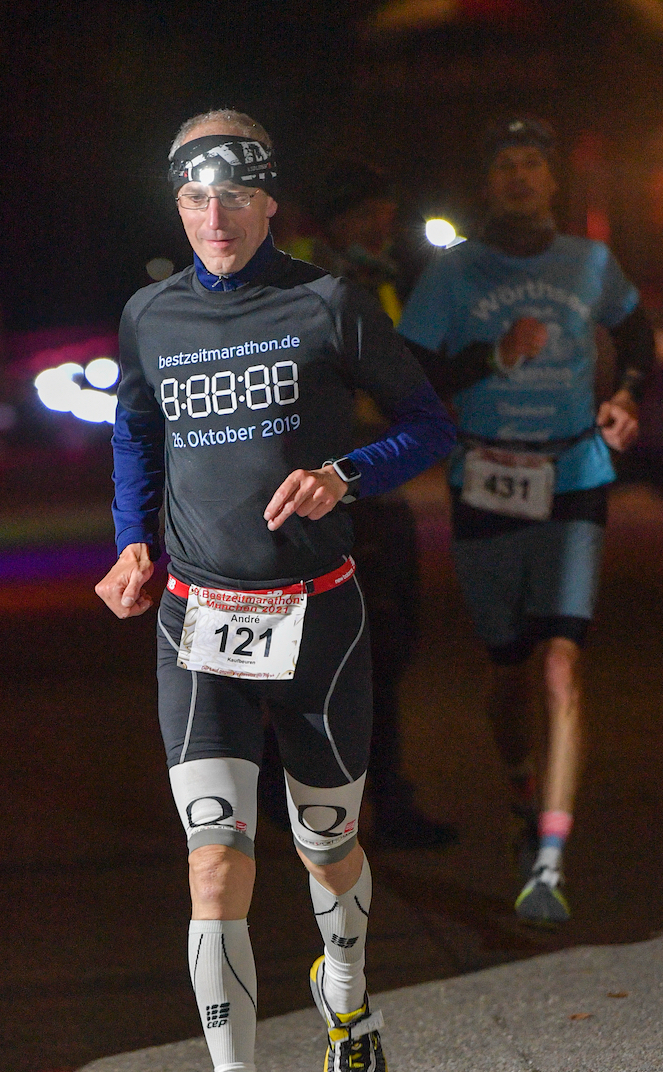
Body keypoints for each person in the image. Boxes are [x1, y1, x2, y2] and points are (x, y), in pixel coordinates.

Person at [95, 109, 455, 1072]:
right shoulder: (148, 315)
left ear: (267, 201)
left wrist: (346, 473)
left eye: (232, 198)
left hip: (319, 619)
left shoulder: (326, 303)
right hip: (196, 623)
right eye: (193, 200)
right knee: (215, 858)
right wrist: (130, 540)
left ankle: (344, 992)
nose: (213, 219)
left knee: (323, 844)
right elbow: (137, 430)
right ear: (176, 205)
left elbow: (430, 425)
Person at [398, 117, 654, 926]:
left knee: (559, 665)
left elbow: (634, 328)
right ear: (488, 185)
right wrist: (491, 360)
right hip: (489, 478)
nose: (517, 176)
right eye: (503, 164)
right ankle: (520, 791)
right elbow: (414, 368)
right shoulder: (455, 272)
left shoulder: (589, 263)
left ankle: (548, 859)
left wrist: (625, 395)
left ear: (551, 182)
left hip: (575, 469)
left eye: (531, 165)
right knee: (508, 670)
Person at [264, 165, 457, 850]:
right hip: (318, 481)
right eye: (369, 212)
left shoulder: (381, 276)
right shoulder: (311, 271)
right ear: (337, 219)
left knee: (388, 639)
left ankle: (362, 793)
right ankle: (303, 788)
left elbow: (407, 370)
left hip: (373, 475)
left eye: (388, 211)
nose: (383, 225)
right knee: (327, 645)